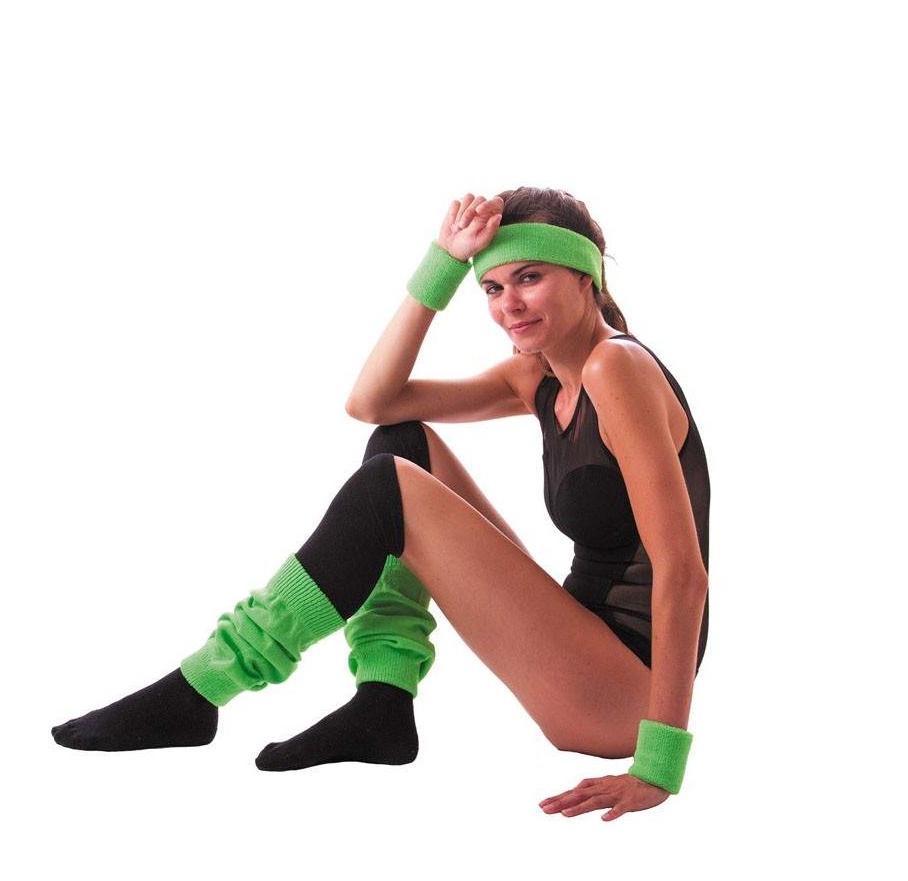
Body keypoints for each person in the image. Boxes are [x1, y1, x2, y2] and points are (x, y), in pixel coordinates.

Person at [53, 187, 709, 821]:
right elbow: (373, 402)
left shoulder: (615, 368)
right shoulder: (537, 377)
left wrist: (659, 764)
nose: (509, 304)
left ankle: (202, 688)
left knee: (387, 487)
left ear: (586, 276)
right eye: (491, 287)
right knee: (401, 444)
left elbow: (684, 573)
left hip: (626, 691)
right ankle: (384, 700)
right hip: (583, 641)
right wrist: (442, 264)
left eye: (529, 278)